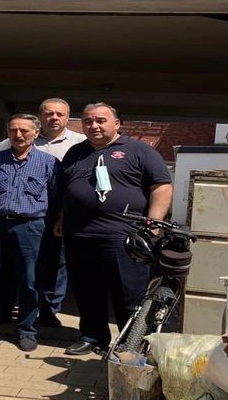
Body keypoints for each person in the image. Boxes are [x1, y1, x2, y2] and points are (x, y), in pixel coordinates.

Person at [54, 103, 172, 356]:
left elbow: (161, 186)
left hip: (124, 236)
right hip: (80, 235)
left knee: (129, 294)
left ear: (117, 124)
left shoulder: (140, 150)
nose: (93, 125)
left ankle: (130, 344)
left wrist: (152, 225)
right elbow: (66, 189)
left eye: (100, 120)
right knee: (87, 291)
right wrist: (61, 217)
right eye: (88, 121)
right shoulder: (75, 153)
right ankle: (92, 337)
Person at [0, 98, 85, 328]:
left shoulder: (80, 142)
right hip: (28, 212)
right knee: (21, 265)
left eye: (60, 114)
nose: (54, 118)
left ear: (68, 117)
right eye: (49, 114)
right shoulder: (23, 135)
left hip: (57, 212)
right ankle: (8, 309)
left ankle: (48, 310)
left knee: (55, 264)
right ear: (40, 118)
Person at [0, 114, 58, 352]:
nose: (18, 135)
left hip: (30, 227)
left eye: (24, 131)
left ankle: (27, 329)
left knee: (29, 279)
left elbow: (57, 198)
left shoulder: (49, 163)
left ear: (36, 134)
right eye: (13, 130)